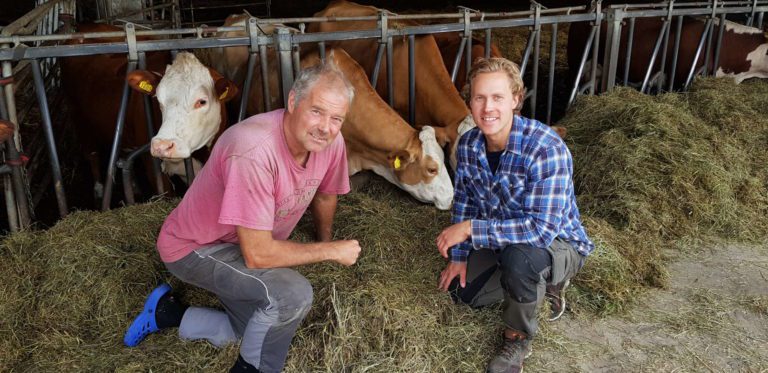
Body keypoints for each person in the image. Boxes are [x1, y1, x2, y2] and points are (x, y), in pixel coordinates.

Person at [123, 61, 362, 373]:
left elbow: (327, 193)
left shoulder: (330, 142)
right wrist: (330, 251)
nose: (325, 127)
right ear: (292, 102)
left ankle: (168, 314)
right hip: (195, 247)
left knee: (258, 329)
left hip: (243, 242)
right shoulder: (253, 150)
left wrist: (325, 238)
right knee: (291, 296)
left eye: (336, 118)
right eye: (316, 111)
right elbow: (258, 254)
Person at [436, 57, 594, 373]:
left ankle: (517, 339)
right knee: (462, 293)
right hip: (504, 241)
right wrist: (460, 256)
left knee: (520, 260)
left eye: (497, 97)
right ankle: (532, 289)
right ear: (469, 102)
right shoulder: (469, 145)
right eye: (479, 97)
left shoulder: (544, 147)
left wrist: (470, 230)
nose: (487, 107)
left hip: (556, 244)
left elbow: (540, 230)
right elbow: (465, 200)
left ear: (516, 100)